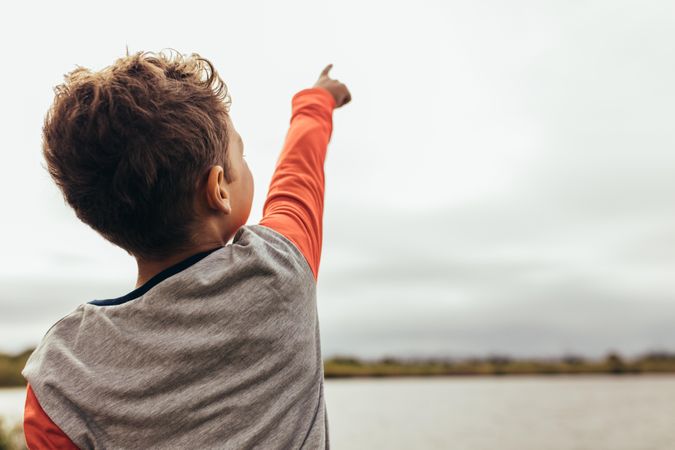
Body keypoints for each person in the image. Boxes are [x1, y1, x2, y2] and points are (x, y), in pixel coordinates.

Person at [20, 48, 351, 449]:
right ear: (218, 190)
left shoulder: (62, 371)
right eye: (240, 155)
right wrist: (316, 102)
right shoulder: (280, 269)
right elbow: (298, 178)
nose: (247, 164)